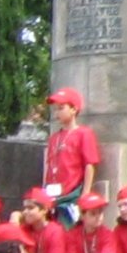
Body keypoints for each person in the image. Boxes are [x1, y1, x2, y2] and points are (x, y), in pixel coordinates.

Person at [43, 88, 101, 223]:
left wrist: (85, 194)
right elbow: (48, 166)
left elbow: (89, 165)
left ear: (74, 109)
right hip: (52, 194)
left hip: (71, 193)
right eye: (56, 109)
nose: (57, 113)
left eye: (61, 108)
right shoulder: (54, 138)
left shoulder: (84, 134)